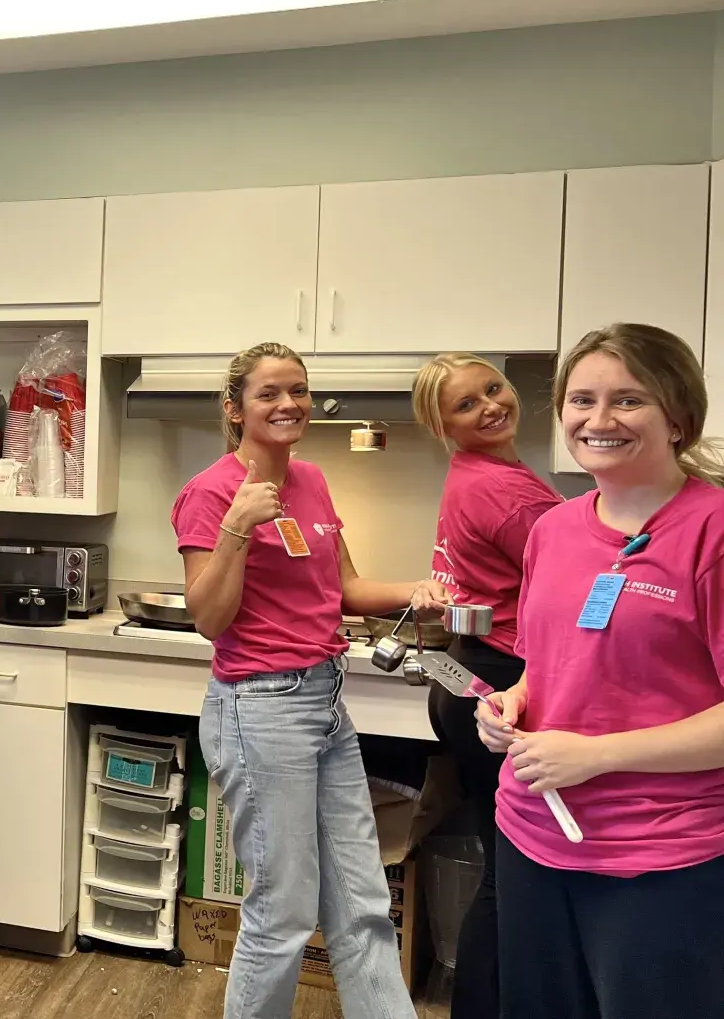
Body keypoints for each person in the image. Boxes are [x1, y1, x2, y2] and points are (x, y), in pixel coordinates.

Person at [172, 341, 449, 1019]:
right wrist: (238, 527)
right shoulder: (209, 493)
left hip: (324, 702)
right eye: (269, 392)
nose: (289, 403)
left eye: (298, 389)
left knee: (362, 904)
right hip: (259, 709)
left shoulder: (315, 481)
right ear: (235, 409)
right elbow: (209, 617)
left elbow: (346, 587)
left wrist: (418, 588)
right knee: (283, 912)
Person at [477, 324, 724, 1019]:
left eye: (628, 400)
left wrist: (596, 756)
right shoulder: (554, 530)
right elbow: (548, 668)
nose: (599, 419)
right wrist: (513, 704)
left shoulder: (713, 532)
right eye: (581, 399)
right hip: (532, 834)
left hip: (661, 857)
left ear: (677, 416)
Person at [409, 352, 562, 1019]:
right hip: (499, 677)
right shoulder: (503, 490)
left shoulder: (483, 471)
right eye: (466, 406)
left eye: (493, 389)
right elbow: (576, 576)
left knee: (503, 863)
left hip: (466, 670)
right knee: (512, 875)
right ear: (444, 426)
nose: (491, 406)